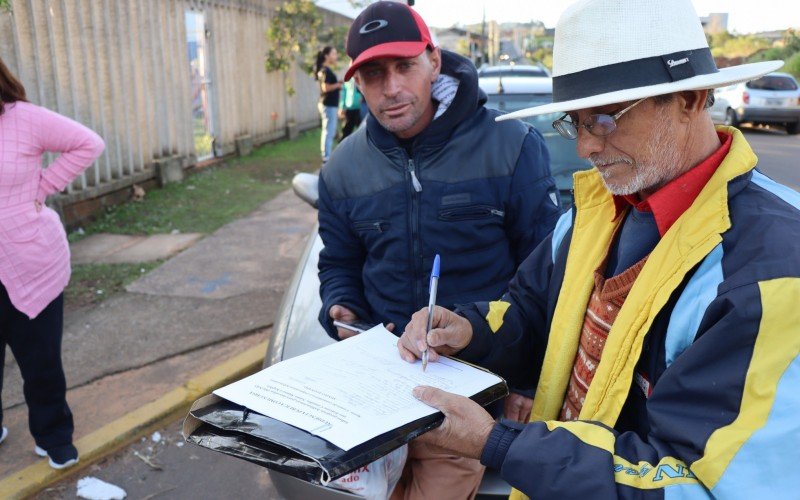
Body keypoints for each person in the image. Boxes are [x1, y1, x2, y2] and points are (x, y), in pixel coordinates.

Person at [398, 0, 800, 497]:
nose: (585, 147)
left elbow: (699, 485)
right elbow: (532, 312)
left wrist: (500, 445)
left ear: (692, 98)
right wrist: (471, 332)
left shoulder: (773, 271)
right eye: (575, 122)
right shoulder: (595, 213)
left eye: (605, 119)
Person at [317, 2, 561, 498]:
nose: (391, 89)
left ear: (433, 60)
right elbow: (339, 262)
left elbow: (548, 276)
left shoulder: (511, 145)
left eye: (404, 66)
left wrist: (528, 380)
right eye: (372, 74)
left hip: (477, 391)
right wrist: (339, 306)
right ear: (356, 84)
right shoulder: (341, 169)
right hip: (377, 393)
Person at [0, 56, 105, 469]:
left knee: (40, 360)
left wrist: (42, 186)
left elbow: (88, 143)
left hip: (31, 262)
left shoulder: (23, 119)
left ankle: (54, 434)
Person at [315, 46, 342, 164]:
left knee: (331, 131)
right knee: (328, 131)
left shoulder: (324, 69)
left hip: (329, 105)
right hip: (328, 104)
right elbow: (325, 87)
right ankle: (326, 158)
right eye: (334, 54)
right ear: (326, 56)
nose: (336, 56)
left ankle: (327, 156)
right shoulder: (325, 70)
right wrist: (338, 85)